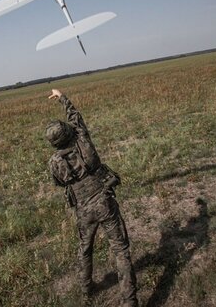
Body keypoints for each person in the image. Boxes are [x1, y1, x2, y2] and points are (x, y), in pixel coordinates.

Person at [45, 89, 138, 306]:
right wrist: (62, 98)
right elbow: (75, 117)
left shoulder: (54, 163)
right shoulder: (82, 139)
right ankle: (130, 301)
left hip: (83, 210)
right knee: (120, 250)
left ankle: (87, 290)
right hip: (104, 200)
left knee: (85, 249)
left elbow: (59, 183)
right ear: (69, 133)